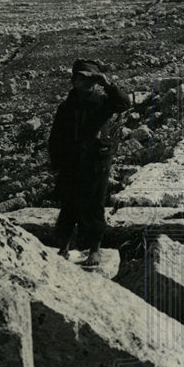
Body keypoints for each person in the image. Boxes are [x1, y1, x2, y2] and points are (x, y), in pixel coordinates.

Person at [48, 58, 129, 266]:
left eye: (89, 79)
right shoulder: (66, 107)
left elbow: (124, 104)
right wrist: (55, 164)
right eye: (80, 78)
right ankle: (63, 247)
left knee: (94, 205)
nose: (85, 83)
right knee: (69, 206)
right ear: (73, 80)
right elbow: (56, 136)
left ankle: (95, 249)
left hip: (96, 162)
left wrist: (107, 84)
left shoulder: (103, 102)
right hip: (71, 163)